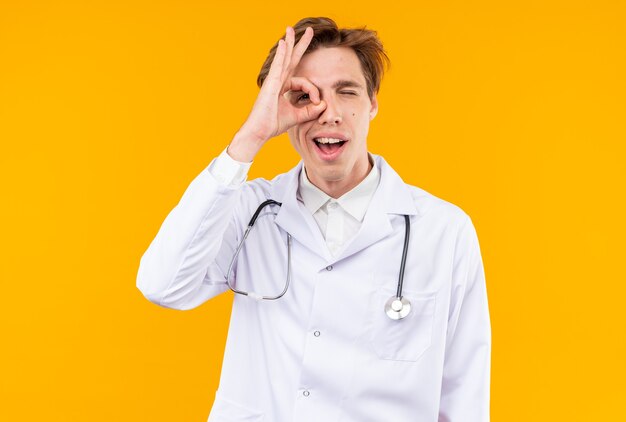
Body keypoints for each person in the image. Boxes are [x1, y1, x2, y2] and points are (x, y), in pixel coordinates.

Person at [137, 17, 491, 422]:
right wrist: (250, 136)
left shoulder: (443, 231)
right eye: (306, 96)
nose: (329, 113)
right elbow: (162, 285)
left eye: (347, 92)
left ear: (372, 103)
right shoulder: (250, 210)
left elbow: (464, 390)